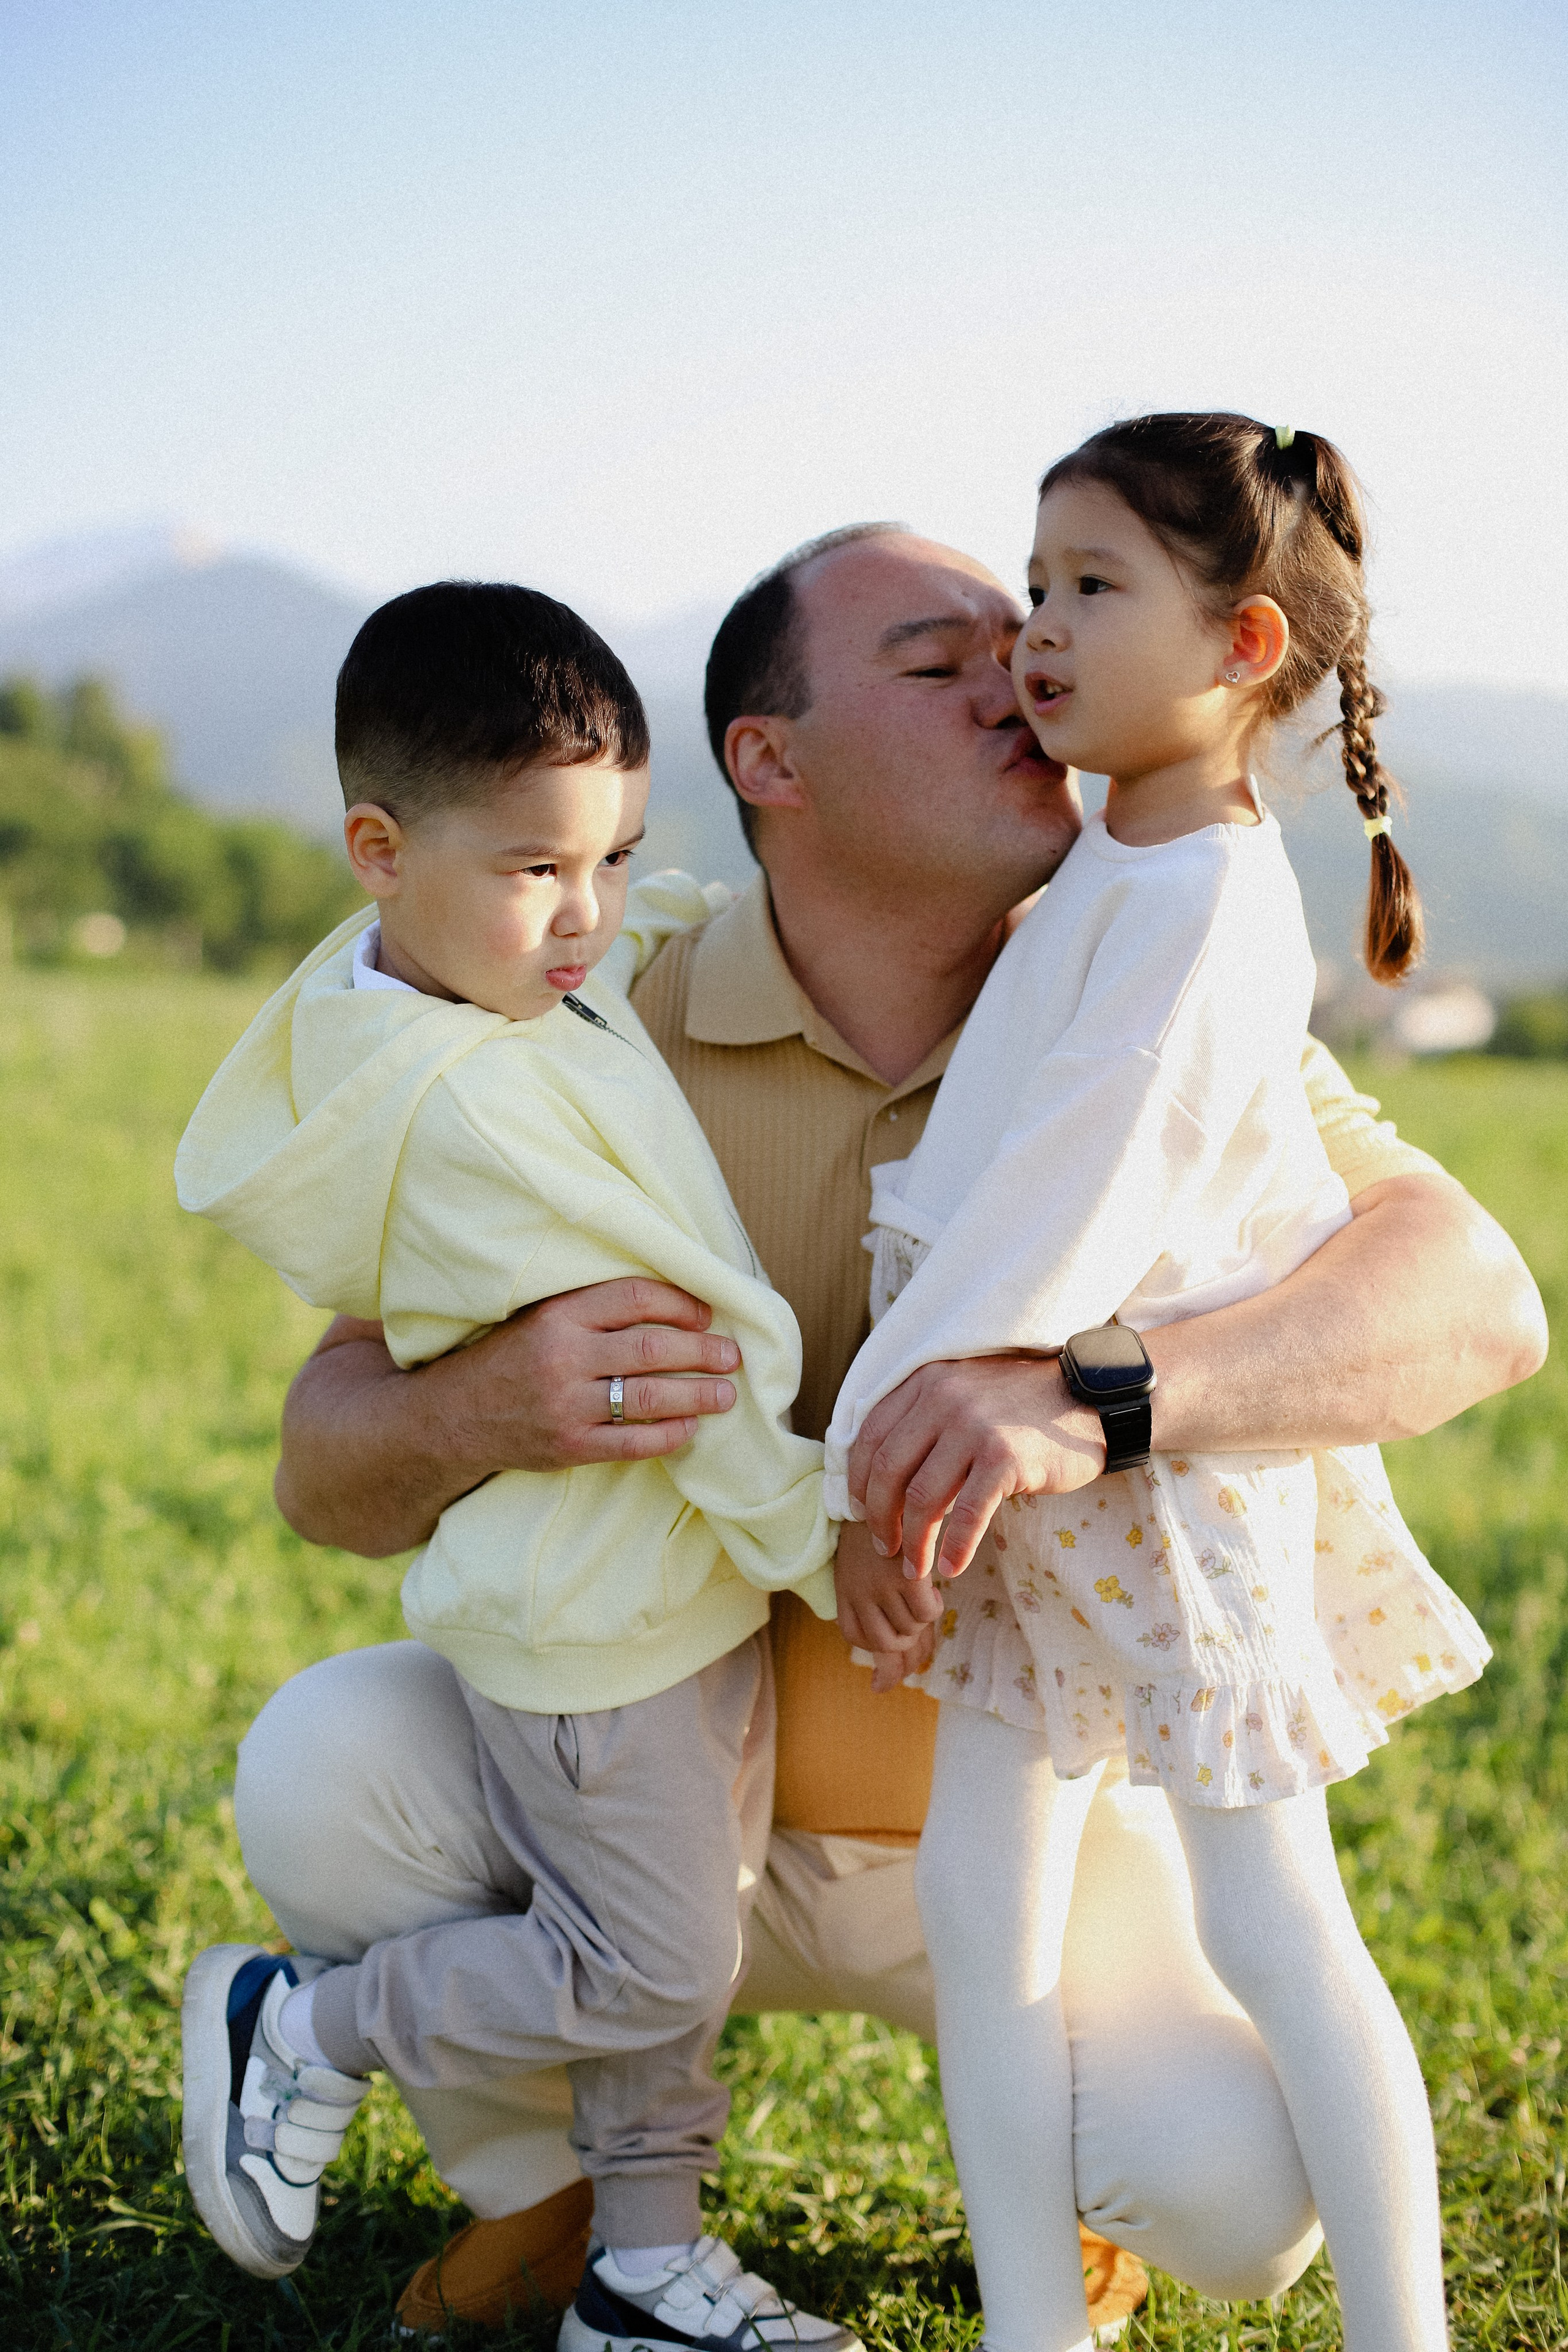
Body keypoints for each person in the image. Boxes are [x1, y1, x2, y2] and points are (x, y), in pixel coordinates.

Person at [244, 523, 1547, 2342]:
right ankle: (553, 2213)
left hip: (1018, 1822)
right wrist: (488, 1399)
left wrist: (1093, 1401)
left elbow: (1481, 1305)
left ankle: (1045, 2198)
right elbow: (326, 1461)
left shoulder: (1147, 994)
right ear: (770, 765)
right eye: (939, 673)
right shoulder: (588, 1019)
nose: (1019, 682)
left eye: (1029, 640)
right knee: (325, 1766)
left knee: (1249, 2208)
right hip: (646, 1785)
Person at [828, 415, 1488, 2352]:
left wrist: (879, 1461)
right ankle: (1035, 2326)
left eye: (1091, 587)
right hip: (1011, 1471)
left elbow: (1064, 1200)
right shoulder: (1102, 876)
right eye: (1034, 586)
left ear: (1247, 647)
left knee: (1275, 1918)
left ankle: (1405, 2331)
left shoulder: (1200, 903)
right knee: (986, 1923)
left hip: (1138, 1489)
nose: (1039, 629)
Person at [174, 581, 864, 2352]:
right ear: (379, 849)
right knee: (648, 1961)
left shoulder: (467, 993)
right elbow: (687, 1351)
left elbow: (596, 971)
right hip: (598, 1619)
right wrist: (817, 1539)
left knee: (669, 1952)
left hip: (654, 1590)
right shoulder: (477, 1108)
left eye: (618, 858)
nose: (589, 919)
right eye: (539, 870)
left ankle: (639, 2269)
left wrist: (661, 916)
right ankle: (305, 2026)